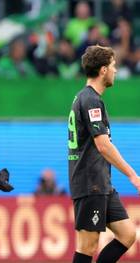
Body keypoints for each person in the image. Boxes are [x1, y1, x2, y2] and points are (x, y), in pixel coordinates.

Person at [68, 45, 140, 263]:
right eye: (113, 66)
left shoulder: (87, 98)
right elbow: (103, 145)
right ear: (103, 70)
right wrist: (132, 175)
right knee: (87, 247)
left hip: (102, 183)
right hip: (90, 183)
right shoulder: (90, 100)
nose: (115, 71)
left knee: (127, 234)